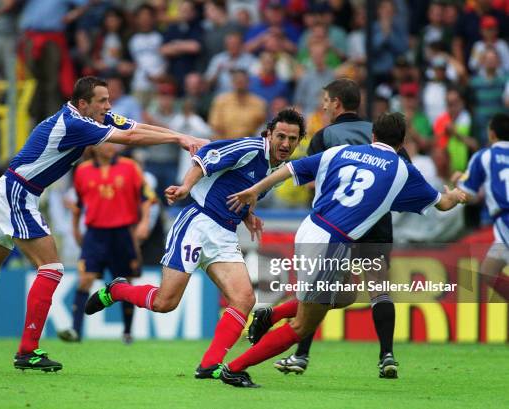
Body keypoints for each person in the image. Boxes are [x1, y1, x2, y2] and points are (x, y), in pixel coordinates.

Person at [0, 76, 206, 372]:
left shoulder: (90, 115)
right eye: (102, 101)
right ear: (83, 103)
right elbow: (129, 139)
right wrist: (179, 138)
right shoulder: (75, 124)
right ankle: (28, 350)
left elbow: (135, 127)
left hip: (14, 190)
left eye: (109, 100)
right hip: (18, 193)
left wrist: (180, 136)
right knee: (51, 268)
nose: (108, 106)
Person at [221, 112, 466, 387]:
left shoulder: (342, 151)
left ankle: (272, 314)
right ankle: (235, 368)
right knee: (303, 325)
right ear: (402, 142)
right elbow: (443, 204)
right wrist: (456, 195)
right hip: (331, 244)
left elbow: (291, 169)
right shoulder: (401, 169)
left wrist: (255, 189)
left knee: (347, 294)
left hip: (310, 229)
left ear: (373, 136)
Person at [84, 109, 306, 379]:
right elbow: (205, 157)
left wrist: (248, 215)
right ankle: (118, 290)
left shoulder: (275, 168)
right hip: (197, 224)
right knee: (165, 303)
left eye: (292, 139)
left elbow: (241, 188)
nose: (285, 143)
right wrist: (186, 187)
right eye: (280, 136)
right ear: (269, 134)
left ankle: (209, 365)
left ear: (298, 141)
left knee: (244, 299)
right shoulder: (249, 147)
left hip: (225, 234)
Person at [251, 78, 406, 378]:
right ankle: (387, 355)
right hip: (375, 222)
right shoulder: (380, 133)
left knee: (318, 288)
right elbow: (403, 170)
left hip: (337, 223)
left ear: (336, 103)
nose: (322, 105)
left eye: (325, 100)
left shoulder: (326, 136)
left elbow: (313, 176)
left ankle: (301, 356)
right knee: (379, 288)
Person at [57, 142, 154, 344]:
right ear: (95, 146)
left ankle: (127, 332)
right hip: (94, 233)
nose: (111, 146)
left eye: (114, 143)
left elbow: (146, 197)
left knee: (125, 281)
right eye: (106, 142)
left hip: (122, 232)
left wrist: (144, 222)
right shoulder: (82, 171)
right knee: (85, 279)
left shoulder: (130, 167)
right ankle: (75, 330)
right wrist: (75, 228)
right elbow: (79, 205)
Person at [456, 113, 509, 301]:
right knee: (488, 271)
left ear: (492, 134)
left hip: (506, 221)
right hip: (503, 223)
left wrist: (456, 182)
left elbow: (466, 194)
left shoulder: (485, 156)